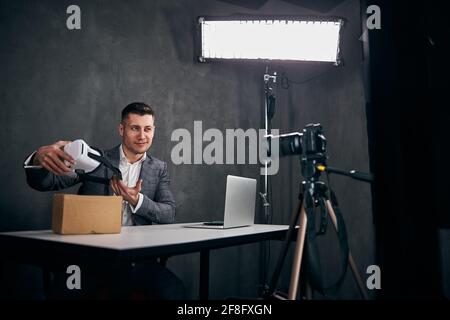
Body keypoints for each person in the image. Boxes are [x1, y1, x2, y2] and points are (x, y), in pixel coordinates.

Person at [23, 102, 185, 299]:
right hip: (89, 260)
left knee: (175, 291)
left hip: (137, 261)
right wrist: (37, 159)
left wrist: (137, 201)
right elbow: (47, 183)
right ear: (121, 129)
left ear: (153, 130)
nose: (142, 136)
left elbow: (168, 213)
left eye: (147, 129)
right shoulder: (96, 160)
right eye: (135, 128)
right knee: (64, 294)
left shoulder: (159, 168)